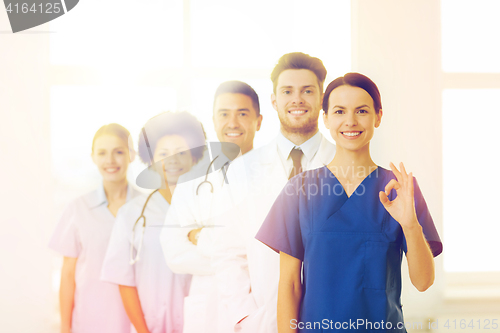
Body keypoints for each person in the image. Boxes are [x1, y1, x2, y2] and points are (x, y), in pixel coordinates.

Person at [255, 73, 443, 332]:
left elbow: (423, 282)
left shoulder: (400, 189)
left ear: (378, 116)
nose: (350, 121)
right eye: (340, 111)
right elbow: (290, 285)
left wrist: (411, 225)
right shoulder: (300, 190)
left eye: (362, 111)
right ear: (326, 119)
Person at [213, 52, 336, 333]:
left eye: (307, 91)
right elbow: (227, 253)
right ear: (274, 101)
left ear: (322, 100)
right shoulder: (242, 170)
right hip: (262, 321)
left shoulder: (345, 165)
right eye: (287, 91)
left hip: (333, 319)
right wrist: (245, 317)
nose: (297, 99)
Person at [160, 81, 263, 333]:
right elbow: (174, 253)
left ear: (259, 121)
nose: (233, 123)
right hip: (208, 313)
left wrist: (201, 236)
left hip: (260, 307)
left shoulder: (276, 178)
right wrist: (247, 258)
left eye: (242, 114)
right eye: (224, 114)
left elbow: (278, 252)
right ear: (214, 121)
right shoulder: (191, 182)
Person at [101, 112, 206, 333]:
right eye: (163, 153)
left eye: (180, 153)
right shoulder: (131, 214)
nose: (172, 161)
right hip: (150, 326)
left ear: (194, 157)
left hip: (203, 322)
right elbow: (124, 280)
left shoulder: (210, 208)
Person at [49, 123, 141, 333]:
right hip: (89, 322)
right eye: (102, 153)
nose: (110, 160)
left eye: (118, 152)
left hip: (137, 324)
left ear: (132, 154)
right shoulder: (77, 208)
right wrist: (65, 328)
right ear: (93, 157)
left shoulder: (148, 207)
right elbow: (68, 275)